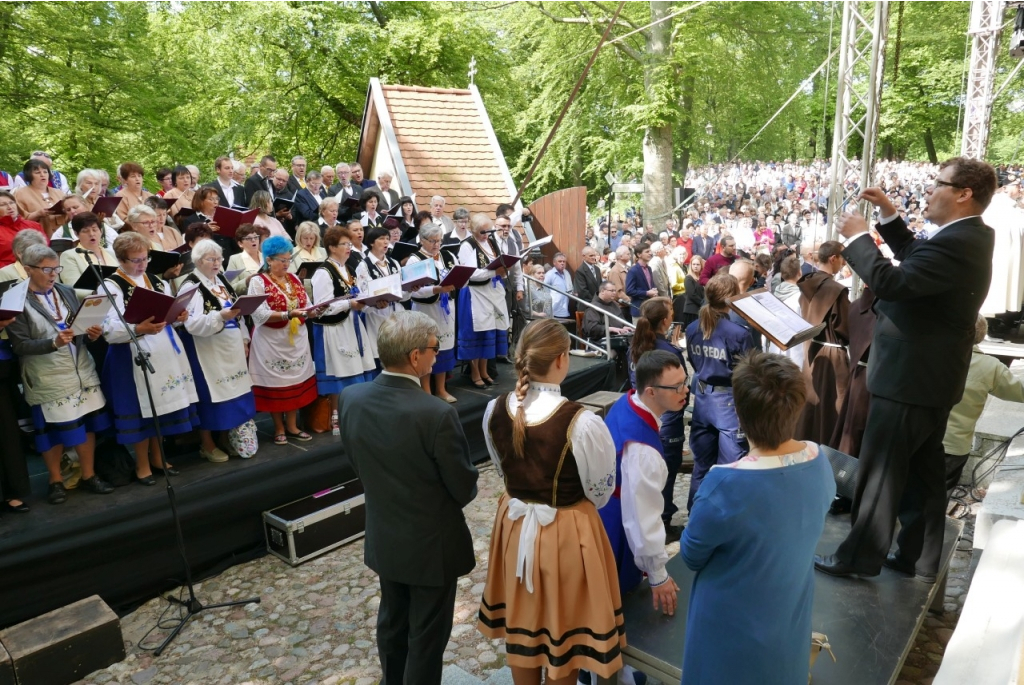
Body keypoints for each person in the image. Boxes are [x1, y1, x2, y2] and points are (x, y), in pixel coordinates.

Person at [816, 158, 998, 582]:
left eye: (939, 184)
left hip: (910, 379)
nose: (931, 191)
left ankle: (859, 558)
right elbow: (918, 258)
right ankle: (917, 556)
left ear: (963, 193)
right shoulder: (965, 237)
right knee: (923, 478)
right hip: (929, 380)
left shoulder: (960, 241)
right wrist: (888, 219)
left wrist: (860, 238)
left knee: (880, 473)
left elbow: (895, 282)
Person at [478, 319, 624, 683]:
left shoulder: (493, 410)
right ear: (562, 359)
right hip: (567, 532)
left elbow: (501, 469)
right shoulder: (582, 422)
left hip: (514, 526)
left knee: (523, 627)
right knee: (564, 637)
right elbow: (601, 492)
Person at [338, 311, 478, 684]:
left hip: (386, 535)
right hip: (432, 545)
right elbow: (463, 487)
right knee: (427, 639)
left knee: (392, 622)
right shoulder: (434, 413)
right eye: (434, 349)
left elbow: (357, 461)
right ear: (415, 357)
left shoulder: (351, 398)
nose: (437, 355)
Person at [680, 351, 835, 685]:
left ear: (738, 411)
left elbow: (691, 555)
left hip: (729, 630)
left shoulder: (725, 483)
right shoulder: (818, 460)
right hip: (787, 616)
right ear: (797, 405)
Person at [7, 244, 115, 504]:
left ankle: (89, 475)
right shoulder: (15, 299)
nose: (54, 274)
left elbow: (78, 327)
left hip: (81, 369)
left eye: (57, 268)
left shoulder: (66, 291)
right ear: (29, 269)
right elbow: (19, 345)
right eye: (47, 269)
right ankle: (55, 481)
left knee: (87, 424)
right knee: (52, 432)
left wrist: (90, 333)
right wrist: (52, 343)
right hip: (48, 375)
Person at [101, 231, 198, 485]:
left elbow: (166, 314)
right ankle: (142, 464)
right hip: (131, 355)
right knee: (141, 414)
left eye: (145, 258)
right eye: (135, 260)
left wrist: (178, 316)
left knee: (160, 410)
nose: (142, 264)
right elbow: (109, 330)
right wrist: (139, 329)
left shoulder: (155, 280)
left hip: (163, 350)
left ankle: (158, 457)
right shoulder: (111, 285)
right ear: (121, 260)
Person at [179, 239, 257, 463]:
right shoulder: (191, 286)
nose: (217, 263)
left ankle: (226, 437)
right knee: (212, 397)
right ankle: (208, 444)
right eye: (211, 259)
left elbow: (237, 309)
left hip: (231, 346)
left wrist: (244, 338)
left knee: (233, 396)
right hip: (208, 350)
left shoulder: (221, 279)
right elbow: (191, 325)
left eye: (219, 258)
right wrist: (220, 316)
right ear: (197, 261)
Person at [685, 273, 756, 509]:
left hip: (703, 398)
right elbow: (747, 373)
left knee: (702, 464)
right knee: (731, 466)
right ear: (732, 299)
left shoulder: (693, 327)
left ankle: (696, 513)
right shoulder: (738, 333)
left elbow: (695, 364)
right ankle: (725, 519)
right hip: (728, 401)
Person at [247, 236, 322, 445]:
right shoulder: (257, 281)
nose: (286, 264)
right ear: (269, 260)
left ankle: (292, 425)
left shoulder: (294, 279)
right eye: (282, 260)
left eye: (289, 259)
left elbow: (305, 305)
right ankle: (278, 428)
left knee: (294, 380)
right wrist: (287, 314)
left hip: (296, 339)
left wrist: (316, 311)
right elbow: (259, 314)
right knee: (276, 383)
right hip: (271, 341)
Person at [943, 315, 1024, 497]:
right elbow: (1020, 391)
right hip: (955, 447)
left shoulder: (932, 357)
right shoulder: (990, 367)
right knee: (938, 500)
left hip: (921, 440)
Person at [628, 298, 689, 539]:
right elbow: (681, 388)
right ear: (665, 321)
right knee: (665, 473)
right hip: (667, 421)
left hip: (642, 416)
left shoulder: (635, 345)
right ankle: (662, 521)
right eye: (671, 312)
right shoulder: (669, 353)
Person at [311, 227, 376, 432]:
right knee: (339, 373)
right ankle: (336, 415)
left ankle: (354, 413)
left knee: (354, 369)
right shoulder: (324, 272)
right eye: (344, 244)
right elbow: (322, 308)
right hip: (334, 329)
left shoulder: (346, 269)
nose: (349, 248)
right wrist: (351, 305)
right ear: (331, 247)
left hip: (351, 325)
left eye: (350, 244)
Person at [795, 240, 850, 445]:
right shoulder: (836, 290)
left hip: (811, 350)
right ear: (833, 258)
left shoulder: (806, 284)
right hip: (832, 355)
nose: (844, 263)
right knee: (833, 407)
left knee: (812, 404)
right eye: (843, 258)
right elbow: (847, 328)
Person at [406, 222, 458, 402]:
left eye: (439, 241)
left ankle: (441, 389)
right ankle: (426, 391)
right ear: (422, 240)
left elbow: (460, 277)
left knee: (444, 349)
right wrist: (435, 290)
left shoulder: (448, 255)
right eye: (433, 241)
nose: (437, 245)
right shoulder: (415, 259)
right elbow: (413, 290)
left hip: (447, 310)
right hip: (426, 311)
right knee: (427, 349)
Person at [457, 214, 509, 387]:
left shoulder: (491, 241)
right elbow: (469, 273)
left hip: (491, 292)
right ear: (473, 230)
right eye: (482, 232)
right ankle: (475, 373)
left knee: (489, 331)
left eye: (488, 231)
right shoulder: (467, 245)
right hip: (474, 294)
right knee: (477, 333)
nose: (486, 235)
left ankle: (485, 370)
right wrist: (494, 272)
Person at [355, 226, 410, 369]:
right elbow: (363, 294)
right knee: (380, 354)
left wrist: (409, 289)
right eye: (381, 239)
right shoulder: (364, 265)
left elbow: (400, 293)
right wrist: (375, 304)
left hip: (396, 313)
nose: (386, 242)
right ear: (372, 242)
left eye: (387, 238)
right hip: (376, 315)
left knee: (398, 353)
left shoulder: (394, 263)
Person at [60, 212, 117, 299]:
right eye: (85, 231)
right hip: (92, 303)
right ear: (76, 234)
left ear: (101, 231)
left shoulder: (111, 253)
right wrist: (98, 292)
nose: (91, 234)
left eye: (94, 229)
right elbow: (71, 288)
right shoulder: (69, 256)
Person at [766, 255, 805, 369]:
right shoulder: (801, 298)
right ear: (800, 272)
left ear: (782, 275)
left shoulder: (772, 297)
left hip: (776, 348)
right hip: (795, 351)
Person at [14, 158, 67, 236]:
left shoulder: (59, 193)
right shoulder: (20, 194)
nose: (42, 175)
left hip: (64, 238)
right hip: (38, 238)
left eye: (45, 172)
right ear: (29, 175)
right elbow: (18, 221)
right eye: (37, 172)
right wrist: (37, 214)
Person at [225, 224, 265, 296]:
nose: (253, 240)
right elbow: (230, 289)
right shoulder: (234, 259)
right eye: (248, 238)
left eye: (256, 237)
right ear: (240, 243)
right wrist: (246, 281)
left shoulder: (266, 257)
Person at [625, 242, 658, 317]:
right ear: (639, 255)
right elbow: (629, 290)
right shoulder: (633, 270)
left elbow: (650, 284)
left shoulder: (649, 268)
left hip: (650, 309)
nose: (650, 253)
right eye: (647, 252)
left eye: (650, 251)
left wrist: (654, 290)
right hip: (638, 309)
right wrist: (647, 293)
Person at [543, 252, 573, 318]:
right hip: (554, 310)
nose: (562, 263)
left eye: (564, 261)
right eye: (560, 261)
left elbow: (570, 288)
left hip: (565, 309)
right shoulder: (550, 274)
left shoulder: (567, 273)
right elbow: (544, 291)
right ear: (554, 263)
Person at [681, 254, 705, 330]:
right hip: (691, 311)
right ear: (690, 265)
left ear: (701, 265)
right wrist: (704, 303)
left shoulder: (702, 278)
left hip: (700, 310)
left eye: (698, 264)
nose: (695, 266)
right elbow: (692, 295)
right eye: (693, 264)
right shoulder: (688, 278)